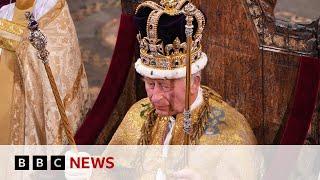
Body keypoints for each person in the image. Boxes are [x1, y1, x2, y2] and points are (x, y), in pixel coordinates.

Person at [109, 0, 256, 145]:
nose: (155, 98)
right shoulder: (138, 113)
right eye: (150, 84)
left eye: (165, 86)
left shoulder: (231, 135)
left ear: (194, 83)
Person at [0, 0, 89, 144]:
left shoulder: (52, 6)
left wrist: (15, 39)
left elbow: (59, 50)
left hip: (29, 94)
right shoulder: (5, 13)